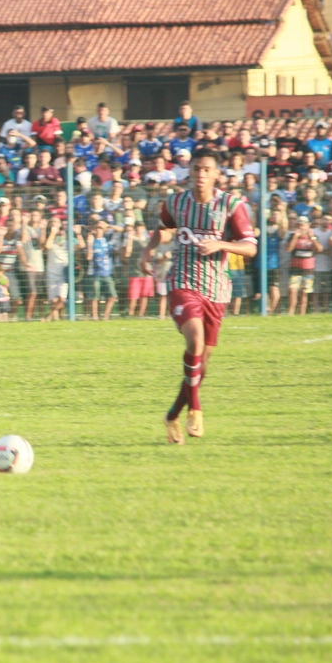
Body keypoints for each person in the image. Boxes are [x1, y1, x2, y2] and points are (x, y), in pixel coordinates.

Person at [142, 149, 257, 444]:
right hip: (182, 283)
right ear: (189, 171)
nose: (201, 174)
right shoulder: (177, 201)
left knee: (201, 363)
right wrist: (148, 248)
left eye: (207, 169)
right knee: (195, 340)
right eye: (196, 169)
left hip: (216, 290)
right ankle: (196, 407)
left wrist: (221, 244)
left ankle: (172, 415)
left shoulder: (232, 205)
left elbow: (250, 247)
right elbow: (165, 230)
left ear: (218, 174)